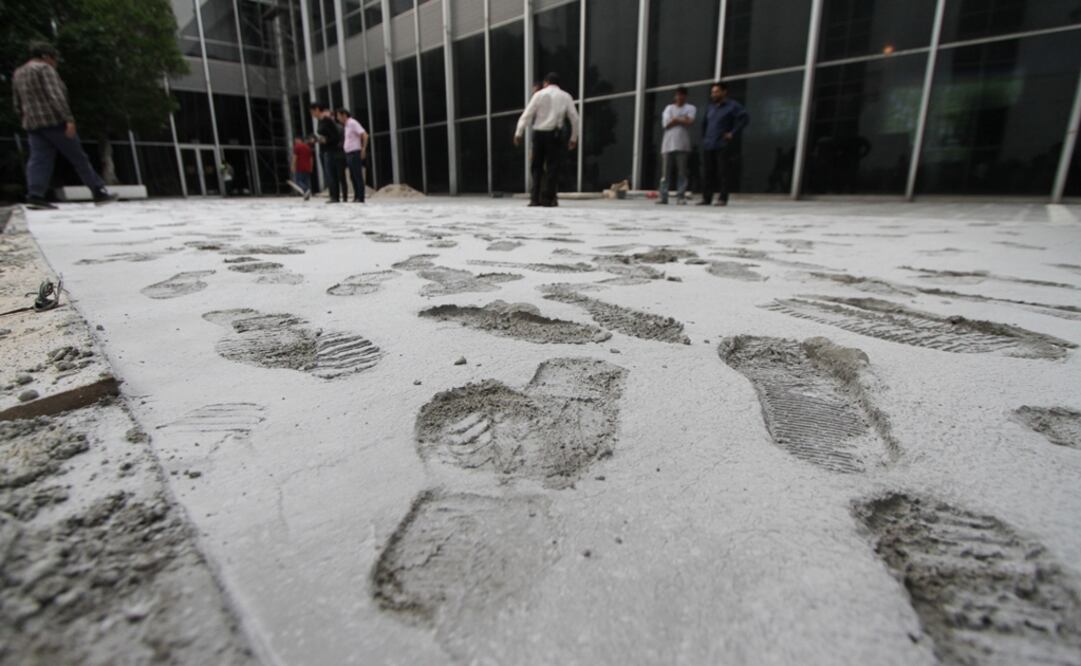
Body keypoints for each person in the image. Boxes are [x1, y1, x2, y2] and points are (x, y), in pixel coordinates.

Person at [11, 42, 117, 209]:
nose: (55, 63)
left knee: (39, 160)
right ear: (46, 57)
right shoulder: (44, 69)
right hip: (55, 121)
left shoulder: (19, 73)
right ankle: (97, 191)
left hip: (33, 125)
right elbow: (55, 96)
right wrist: (68, 119)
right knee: (78, 158)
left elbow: (17, 103)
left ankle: (35, 194)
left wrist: (26, 118)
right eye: (54, 59)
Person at [514, 72, 579, 207]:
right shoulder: (566, 96)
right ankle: (548, 199)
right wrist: (573, 138)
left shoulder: (539, 95)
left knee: (536, 166)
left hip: (539, 134)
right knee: (552, 167)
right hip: (555, 135)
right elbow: (575, 119)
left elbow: (527, 114)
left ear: (546, 82)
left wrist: (519, 132)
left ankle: (534, 198)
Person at [699, 82, 748, 207]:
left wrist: (733, 132)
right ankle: (706, 198)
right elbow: (705, 123)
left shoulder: (733, 106)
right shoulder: (711, 107)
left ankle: (722, 198)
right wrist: (704, 138)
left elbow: (744, 118)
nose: (713, 94)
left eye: (716, 92)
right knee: (708, 172)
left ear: (724, 92)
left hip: (722, 144)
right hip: (709, 143)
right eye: (712, 92)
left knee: (723, 172)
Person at [658, 85, 696, 205]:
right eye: (678, 95)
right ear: (675, 96)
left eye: (682, 95)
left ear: (685, 96)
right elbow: (666, 124)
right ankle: (663, 197)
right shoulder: (668, 108)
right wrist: (681, 119)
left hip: (682, 145)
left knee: (682, 173)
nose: (679, 97)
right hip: (668, 145)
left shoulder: (691, 108)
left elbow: (690, 121)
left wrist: (675, 120)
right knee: (665, 174)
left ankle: (681, 196)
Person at [309, 101, 346, 203]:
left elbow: (336, 137)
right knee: (329, 175)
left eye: (312, 112)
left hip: (332, 151)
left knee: (332, 175)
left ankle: (335, 197)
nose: (312, 114)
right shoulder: (321, 121)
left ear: (317, 110)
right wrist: (317, 140)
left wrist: (325, 140)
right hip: (325, 151)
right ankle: (334, 196)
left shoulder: (327, 120)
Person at [336, 109, 368, 203]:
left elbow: (365, 135)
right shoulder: (346, 126)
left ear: (344, 115)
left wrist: (363, 149)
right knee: (352, 176)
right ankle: (356, 196)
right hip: (349, 153)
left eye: (338, 116)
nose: (338, 118)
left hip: (355, 152)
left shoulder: (353, 123)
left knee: (357, 175)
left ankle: (361, 197)